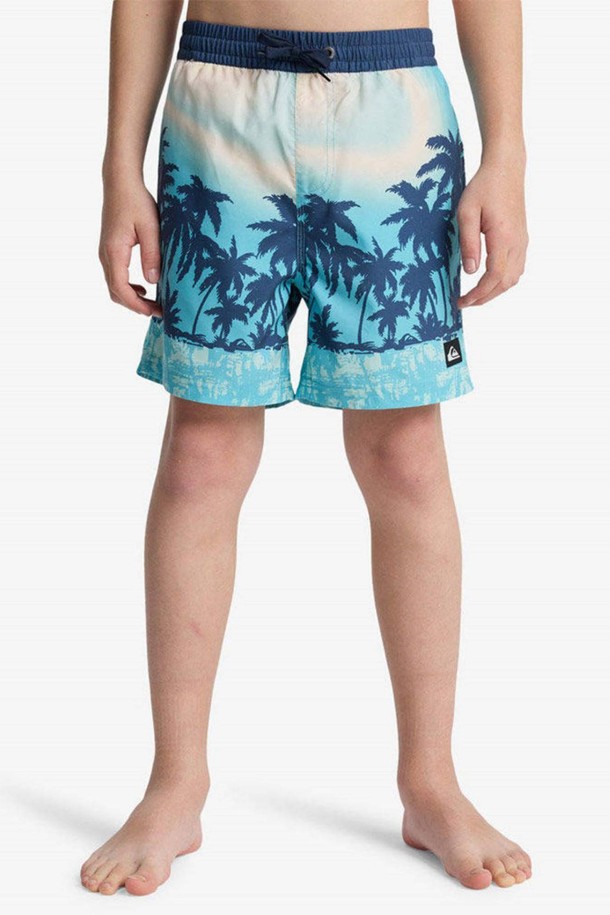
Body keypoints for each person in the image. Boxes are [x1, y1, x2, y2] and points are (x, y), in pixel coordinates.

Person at [85, 0, 530, 896]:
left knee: (406, 452)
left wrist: (507, 152)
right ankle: (176, 783)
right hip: (217, 109)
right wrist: (118, 167)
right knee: (201, 454)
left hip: (390, 111)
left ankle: (430, 780)